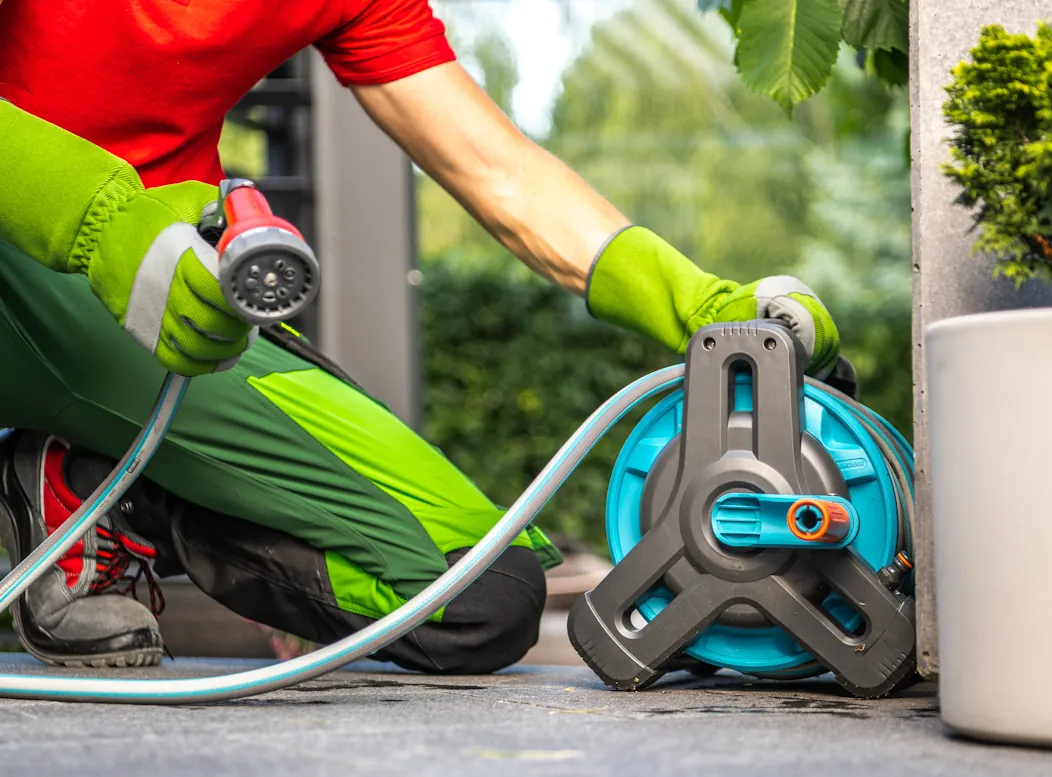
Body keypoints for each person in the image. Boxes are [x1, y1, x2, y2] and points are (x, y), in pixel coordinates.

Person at [0, 0, 840, 672]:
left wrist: (695, 299)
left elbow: (497, 171)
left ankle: (79, 479)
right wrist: (103, 225)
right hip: (40, 254)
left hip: (158, 305)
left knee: (476, 600)